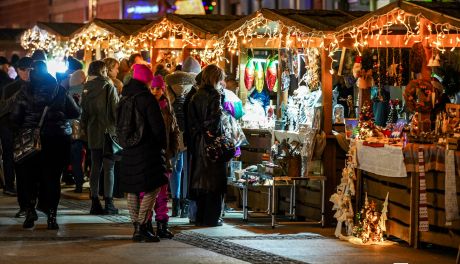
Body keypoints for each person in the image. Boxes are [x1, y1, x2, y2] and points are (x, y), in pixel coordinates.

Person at [10, 60, 80, 229]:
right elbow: (75, 112)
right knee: (52, 179)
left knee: (29, 178)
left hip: (31, 143)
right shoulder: (59, 90)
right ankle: (52, 216)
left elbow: (15, 118)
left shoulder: (24, 91)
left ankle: (30, 211)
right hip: (56, 141)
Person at [118, 64, 168, 242]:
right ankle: (142, 225)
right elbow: (158, 128)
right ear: (147, 79)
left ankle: (136, 227)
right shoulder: (147, 99)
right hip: (147, 150)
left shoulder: (124, 98)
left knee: (132, 188)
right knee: (152, 186)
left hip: (129, 149)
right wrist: (163, 145)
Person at [187, 64, 226, 227]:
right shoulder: (215, 95)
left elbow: (191, 120)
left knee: (201, 182)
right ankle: (211, 218)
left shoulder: (196, 96)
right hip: (211, 144)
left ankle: (200, 217)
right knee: (214, 182)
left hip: (198, 143)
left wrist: (199, 133)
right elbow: (215, 120)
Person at [81, 60, 119, 215]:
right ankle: (109, 202)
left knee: (95, 167)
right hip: (108, 132)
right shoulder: (109, 86)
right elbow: (115, 111)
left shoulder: (86, 88)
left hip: (93, 132)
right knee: (109, 167)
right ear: (104, 71)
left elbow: (83, 114)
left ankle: (94, 201)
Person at [164, 56, 201, 217]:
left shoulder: (170, 87)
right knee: (187, 169)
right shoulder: (193, 90)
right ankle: (185, 203)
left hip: (172, 135)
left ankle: (176, 203)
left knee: (175, 170)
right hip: (187, 135)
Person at [0, 57, 33, 200]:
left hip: (26, 125)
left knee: (24, 157)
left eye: (30, 70)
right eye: (23, 70)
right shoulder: (10, 87)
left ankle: (23, 186)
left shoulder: (35, 86)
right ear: (18, 70)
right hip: (8, 125)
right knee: (9, 155)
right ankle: (9, 185)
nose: (27, 73)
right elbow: (3, 108)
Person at [150, 75, 178, 238]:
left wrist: (172, 151)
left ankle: (162, 224)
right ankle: (145, 223)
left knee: (162, 193)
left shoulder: (168, 108)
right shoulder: (147, 106)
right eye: (152, 88)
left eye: (158, 88)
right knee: (147, 194)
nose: (155, 92)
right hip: (149, 156)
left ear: (163, 89)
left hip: (164, 156)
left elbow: (174, 132)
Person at [68, 69, 87, 193]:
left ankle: (78, 183)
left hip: (72, 129)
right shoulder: (86, 91)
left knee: (75, 158)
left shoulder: (68, 92)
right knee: (91, 157)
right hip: (86, 127)